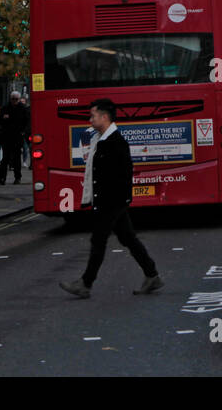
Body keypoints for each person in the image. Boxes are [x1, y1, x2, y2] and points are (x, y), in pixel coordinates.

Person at [60, 99, 165, 298]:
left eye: (93, 115)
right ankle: (152, 275)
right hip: (110, 201)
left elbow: (125, 174)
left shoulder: (116, 142)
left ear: (105, 117)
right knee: (128, 238)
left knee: (98, 240)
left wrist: (117, 201)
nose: (90, 119)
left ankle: (85, 284)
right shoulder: (98, 139)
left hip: (111, 202)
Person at [0, 91, 27, 185]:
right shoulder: (5, 108)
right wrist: (3, 118)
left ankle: (17, 177)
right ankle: (2, 177)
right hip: (7, 136)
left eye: (16, 99)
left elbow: (26, 121)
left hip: (17, 136)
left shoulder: (22, 108)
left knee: (16, 158)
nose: (14, 101)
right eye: (13, 99)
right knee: (5, 158)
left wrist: (23, 132)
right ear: (10, 99)